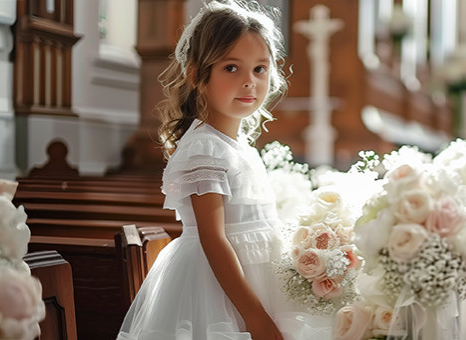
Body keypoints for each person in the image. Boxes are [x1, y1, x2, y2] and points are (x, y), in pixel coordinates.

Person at [118, 1, 330, 339]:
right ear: (196, 74)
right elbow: (214, 239)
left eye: (259, 69)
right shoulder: (205, 147)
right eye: (232, 68)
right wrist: (255, 317)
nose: (250, 82)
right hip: (218, 292)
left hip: (258, 280)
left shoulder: (237, 145)